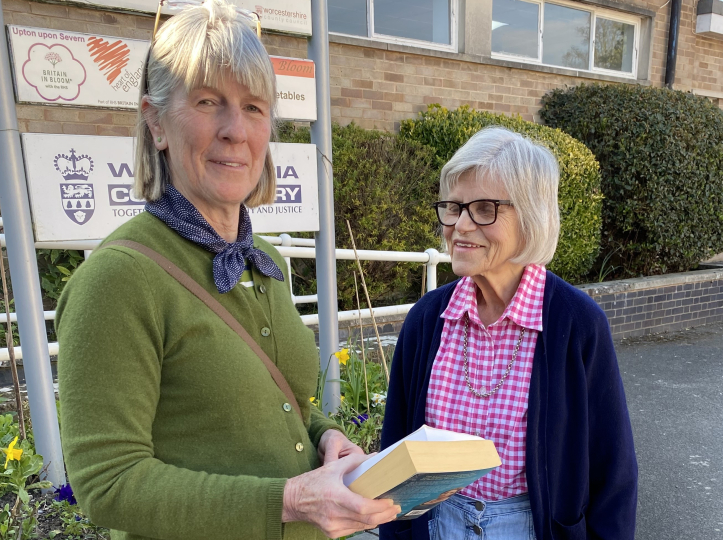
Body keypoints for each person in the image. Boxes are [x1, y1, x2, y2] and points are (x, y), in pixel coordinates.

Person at [55, 2, 399, 539]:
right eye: (208, 102)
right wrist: (288, 500)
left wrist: (328, 437)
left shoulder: (267, 261)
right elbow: (108, 484)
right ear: (155, 121)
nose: (235, 130)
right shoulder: (118, 280)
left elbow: (282, 410)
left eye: (254, 107)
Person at [379, 127, 638, 540]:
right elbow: (395, 451)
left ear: (531, 216)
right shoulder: (427, 319)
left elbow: (613, 469)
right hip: (437, 525)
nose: (461, 225)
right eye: (454, 207)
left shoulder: (577, 324)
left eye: (484, 208)